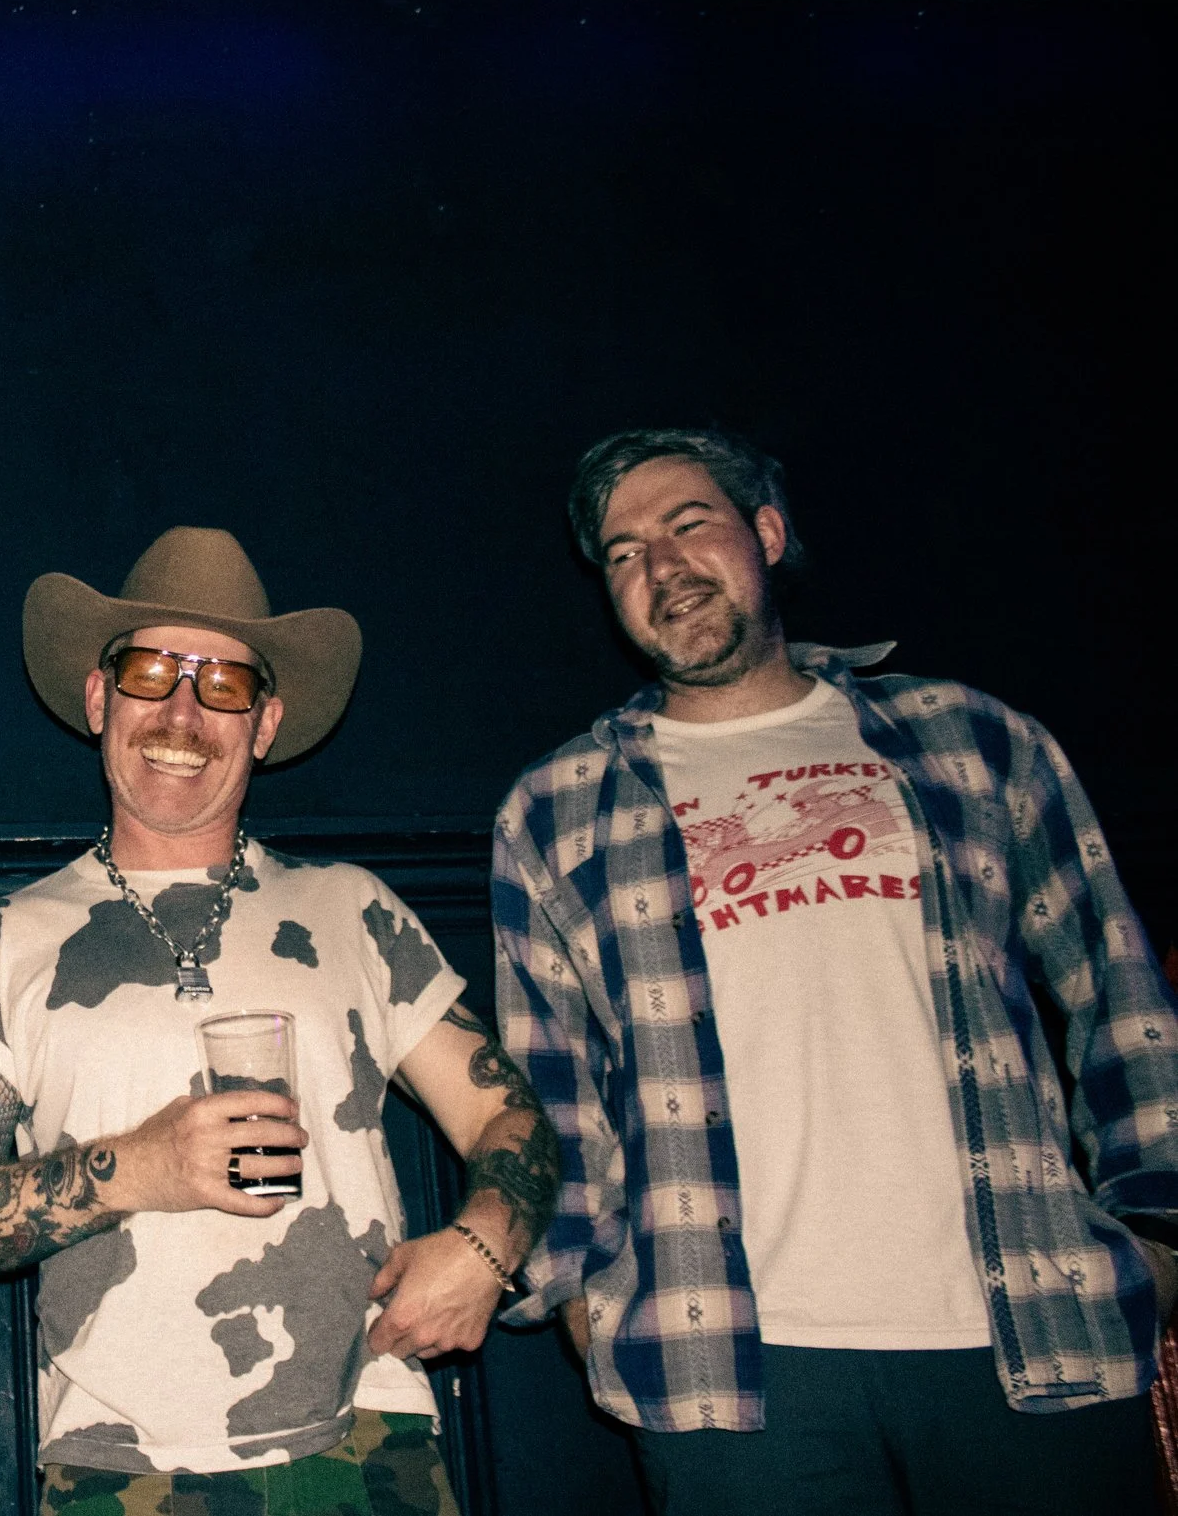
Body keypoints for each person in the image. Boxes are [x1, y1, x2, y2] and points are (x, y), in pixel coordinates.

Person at [494, 428, 1178, 1514]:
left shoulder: (973, 739)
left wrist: (1157, 1230)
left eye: (688, 526)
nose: (660, 567)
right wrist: (580, 1296)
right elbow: (552, 1090)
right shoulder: (558, 805)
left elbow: (1119, 992)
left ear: (765, 534)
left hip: (1031, 1333)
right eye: (622, 553)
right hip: (728, 1366)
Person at [0, 526, 556, 1516]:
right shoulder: (5, 940)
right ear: (97, 697)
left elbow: (509, 1120)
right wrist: (146, 1166)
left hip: (369, 1438)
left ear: (264, 722)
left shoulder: (352, 909)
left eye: (222, 684)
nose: (180, 710)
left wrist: (486, 1243)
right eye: (152, 670)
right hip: (121, 1471)